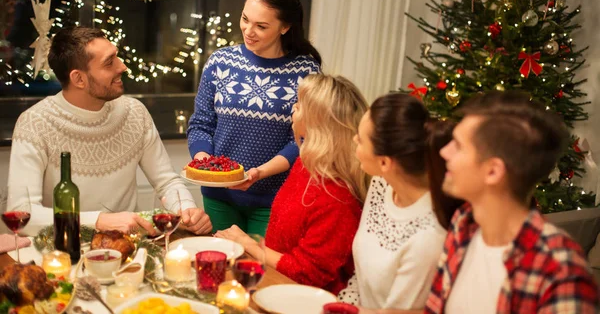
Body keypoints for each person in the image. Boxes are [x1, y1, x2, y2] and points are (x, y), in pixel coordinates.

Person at [7, 27, 212, 236]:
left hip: (131, 252)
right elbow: (22, 213)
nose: (122, 67)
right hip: (64, 253)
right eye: (109, 62)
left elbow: (166, 181)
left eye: (117, 57)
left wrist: (186, 209)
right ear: (79, 79)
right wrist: (98, 221)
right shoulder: (34, 123)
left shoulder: (134, 113)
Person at [421, 92, 599, 313]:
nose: (443, 152)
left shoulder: (560, 268)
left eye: (457, 146)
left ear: (493, 171)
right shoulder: (463, 223)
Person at [187, 0, 321, 236]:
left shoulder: (306, 71)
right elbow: (201, 124)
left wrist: (261, 173)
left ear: (285, 27)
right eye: (245, 19)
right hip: (218, 198)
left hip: (274, 199)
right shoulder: (220, 62)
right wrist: (205, 165)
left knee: (262, 273)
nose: (248, 30)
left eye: (261, 26)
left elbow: (304, 139)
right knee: (220, 268)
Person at [216, 74, 368, 294]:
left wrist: (247, 243)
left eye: (299, 105)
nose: (293, 109)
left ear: (318, 123)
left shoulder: (337, 198)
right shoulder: (306, 166)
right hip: (277, 286)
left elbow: (306, 274)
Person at [337, 93, 462, 311]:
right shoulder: (381, 184)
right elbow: (360, 279)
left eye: (360, 138)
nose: (354, 140)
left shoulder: (428, 238)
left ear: (384, 162)